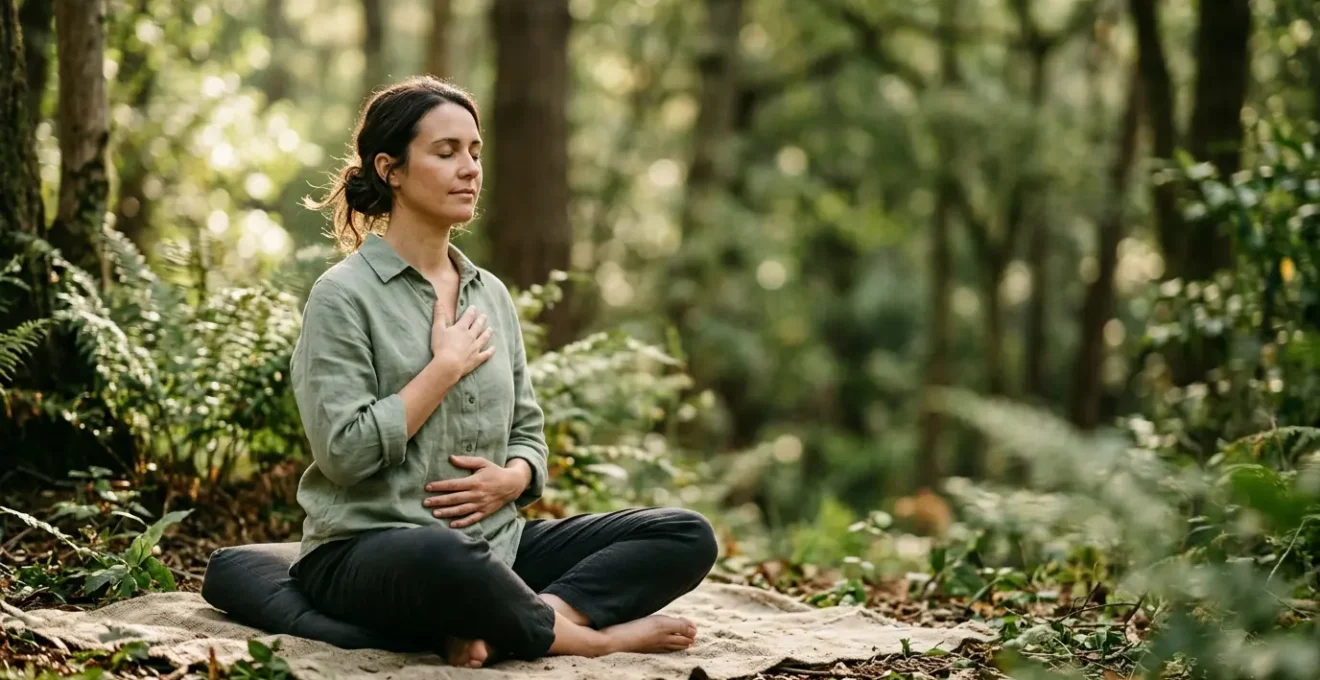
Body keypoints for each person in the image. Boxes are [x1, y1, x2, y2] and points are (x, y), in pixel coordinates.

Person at [288, 76, 718, 668]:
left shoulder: (488, 294)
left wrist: (514, 480)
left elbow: (528, 430)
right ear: (390, 169)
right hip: (374, 548)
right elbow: (343, 453)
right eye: (445, 152)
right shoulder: (342, 296)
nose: (469, 168)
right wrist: (444, 368)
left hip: (499, 545)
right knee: (448, 558)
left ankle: (513, 619)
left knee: (685, 534)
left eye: (474, 152)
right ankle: (588, 637)